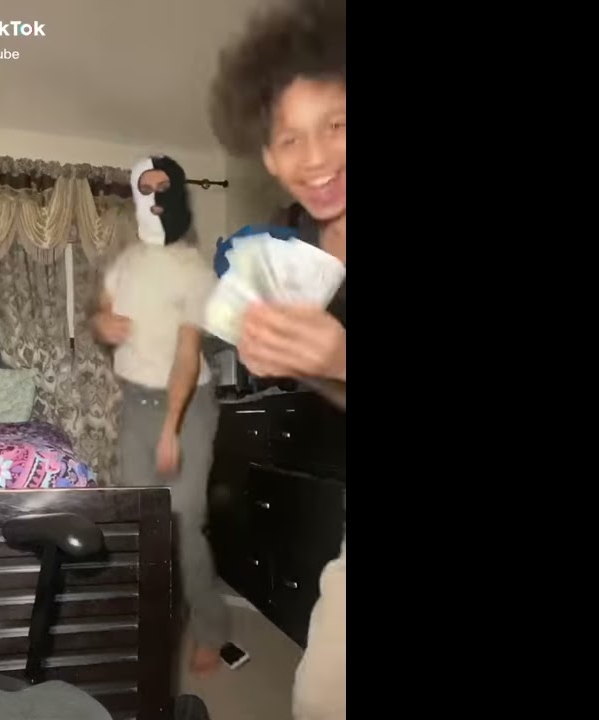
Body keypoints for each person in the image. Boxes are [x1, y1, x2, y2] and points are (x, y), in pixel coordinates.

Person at [208, 0, 347, 718]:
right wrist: (313, 365)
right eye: (289, 138)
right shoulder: (304, 245)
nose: (315, 158)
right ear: (267, 157)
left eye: (337, 124)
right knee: (318, 697)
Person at [92, 155, 230, 676]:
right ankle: (146, 623)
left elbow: (188, 354)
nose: (153, 197)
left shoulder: (194, 269)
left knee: (183, 521)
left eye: (163, 186)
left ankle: (211, 627)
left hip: (187, 407)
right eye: (144, 188)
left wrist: (172, 429)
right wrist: (103, 324)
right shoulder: (125, 262)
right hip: (136, 404)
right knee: (139, 519)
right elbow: (103, 312)